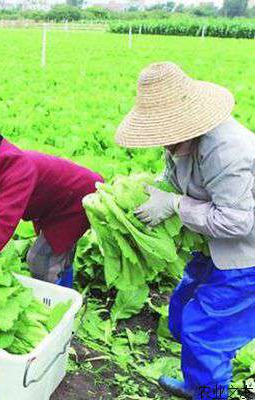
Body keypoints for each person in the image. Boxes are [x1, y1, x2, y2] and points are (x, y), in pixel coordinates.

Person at [116, 61, 255, 400]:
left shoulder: (228, 152)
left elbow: (237, 222)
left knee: (205, 331)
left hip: (245, 257)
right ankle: (199, 383)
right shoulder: (180, 141)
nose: (161, 142)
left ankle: (208, 391)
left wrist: (176, 206)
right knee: (182, 309)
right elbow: (178, 180)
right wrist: (151, 193)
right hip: (212, 247)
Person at [0, 121, 103, 310]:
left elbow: (2, 225)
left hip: (77, 199)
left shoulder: (14, 166)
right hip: (51, 205)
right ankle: (66, 293)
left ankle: (58, 310)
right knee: (57, 252)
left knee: (40, 259)